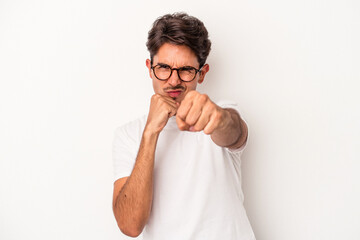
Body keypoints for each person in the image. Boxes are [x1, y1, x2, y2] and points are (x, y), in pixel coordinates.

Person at [112, 13, 255, 240]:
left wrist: (218, 117)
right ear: (150, 68)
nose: (173, 80)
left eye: (186, 70)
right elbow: (130, 225)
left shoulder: (220, 112)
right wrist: (150, 132)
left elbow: (234, 132)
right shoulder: (128, 135)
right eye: (164, 67)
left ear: (202, 73)